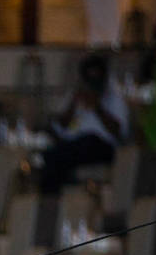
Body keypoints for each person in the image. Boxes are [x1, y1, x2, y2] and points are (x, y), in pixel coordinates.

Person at [41, 53, 128, 194]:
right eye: (89, 77)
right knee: (53, 154)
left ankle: (52, 193)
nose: (93, 82)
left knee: (87, 141)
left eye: (96, 77)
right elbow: (60, 127)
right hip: (74, 144)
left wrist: (97, 107)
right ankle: (52, 198)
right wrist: (73, 105)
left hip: (102, 146)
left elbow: (119, 133)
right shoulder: (76, 96)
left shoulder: (114, 99)